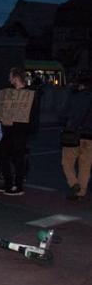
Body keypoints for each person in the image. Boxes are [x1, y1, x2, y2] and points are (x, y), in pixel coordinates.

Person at [0, 67, 39, 196]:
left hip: (21, 131)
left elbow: (33, 115)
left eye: (10, 76)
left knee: (18, 158)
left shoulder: (29, 94)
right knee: (3, 156)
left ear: (16, 77)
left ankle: (18, 186)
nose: (9, 79)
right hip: (9, 129)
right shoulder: (10, 94)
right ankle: (8, 183)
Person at [59, 73, 92, 201]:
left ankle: (74, 184)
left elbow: (62, 115)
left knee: (67, 162)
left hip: (73, 135)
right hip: (90, 137)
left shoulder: (73, 96)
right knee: (85, 165)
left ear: (81, 85)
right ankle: (81, 192)